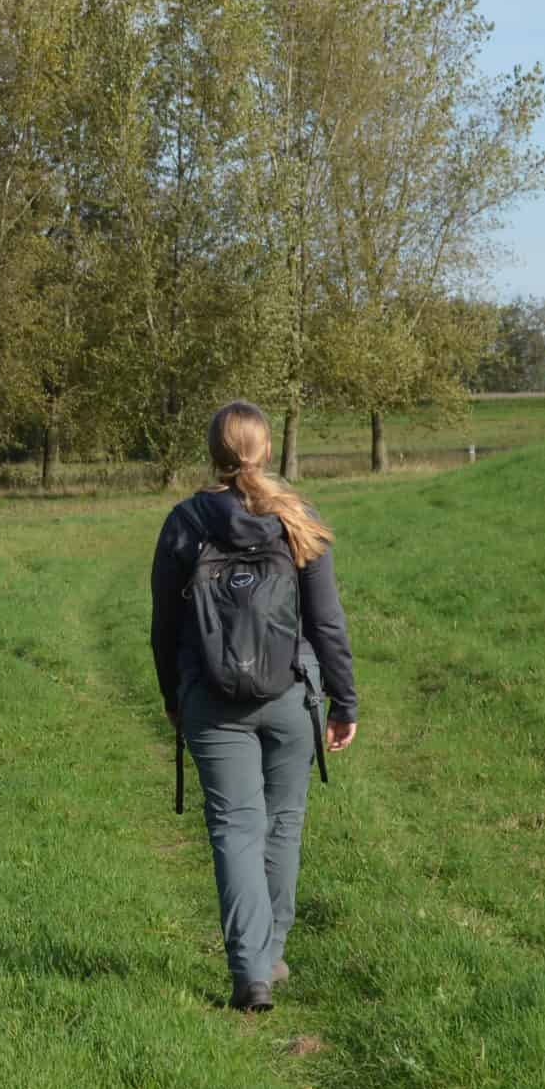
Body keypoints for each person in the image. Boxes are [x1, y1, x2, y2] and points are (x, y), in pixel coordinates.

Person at [149, 401, 359, 1013]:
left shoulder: (184, 523)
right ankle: (268, 956)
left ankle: (252, 972)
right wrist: (343, 700)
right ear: (264, 451)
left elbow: (164, 625)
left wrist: (172, 697)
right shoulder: (297, 518)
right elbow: (326, 623)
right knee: (283, 823)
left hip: (210, 700)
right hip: (291, 694)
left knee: (235, 829)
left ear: (212, 450)